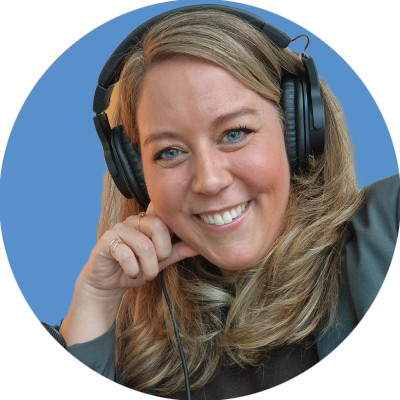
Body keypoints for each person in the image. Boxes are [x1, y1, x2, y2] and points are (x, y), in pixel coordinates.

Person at [56, 5, 399, 400]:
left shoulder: (386, 232)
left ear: (298, 130)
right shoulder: (130, 341)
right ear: (135, 175)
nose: (209, 180)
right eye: (169, 152)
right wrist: (95, 302)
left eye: (235, 133)